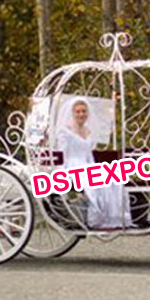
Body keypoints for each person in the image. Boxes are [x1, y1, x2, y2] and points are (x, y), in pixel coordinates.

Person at [56, 97, 132, 229]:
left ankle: (113, 217)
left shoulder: (88, 131)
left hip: (87, 164)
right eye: (78, 111)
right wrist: (61, 172)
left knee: (112, 178)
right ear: (72, 113)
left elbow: (89, 154)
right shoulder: (65, 131)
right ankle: (96, 218)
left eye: (84, 111)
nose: (81, 114)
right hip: (73, 165)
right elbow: (62, 153)